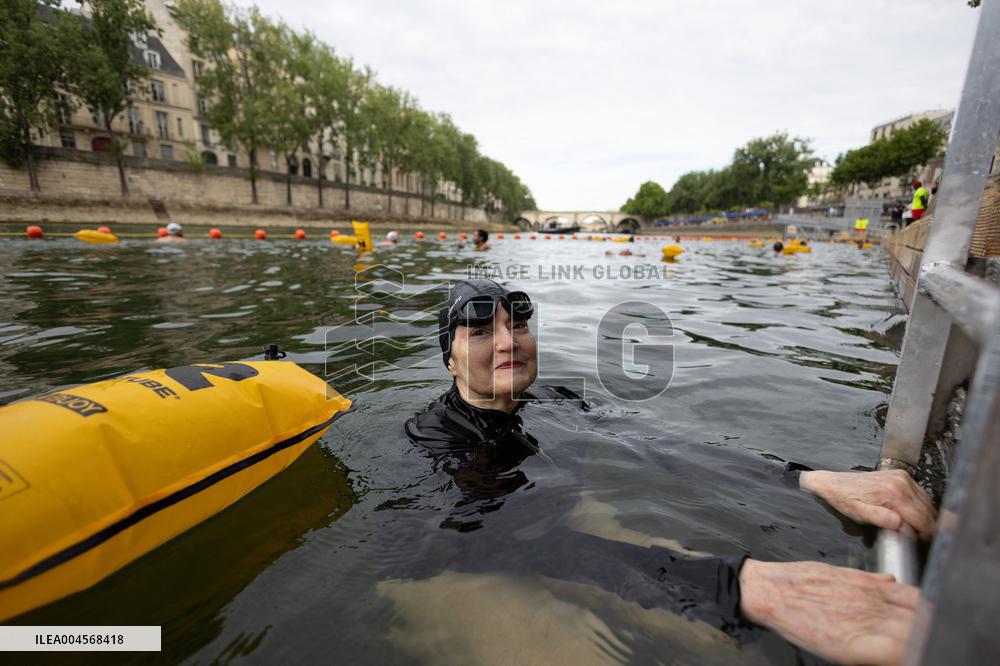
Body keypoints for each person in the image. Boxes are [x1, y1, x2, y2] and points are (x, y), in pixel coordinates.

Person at [406, 279, 936, 666]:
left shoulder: (552, 400)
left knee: (730, 644)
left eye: (517, 325)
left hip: (556, 532)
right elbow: (486, 541)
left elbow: (656, 444)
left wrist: (805, 479)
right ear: (449, 361)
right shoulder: (433, 438)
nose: (508, 342)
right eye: (480, 332)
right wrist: (737, 584)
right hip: (454, 575)